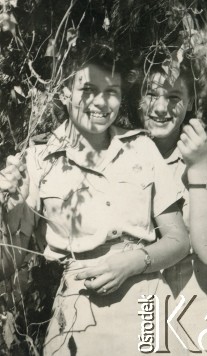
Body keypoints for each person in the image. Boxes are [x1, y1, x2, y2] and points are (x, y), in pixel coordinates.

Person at [0, 45, 190, 355]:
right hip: (78, 318)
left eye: (111, 91)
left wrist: (131, 262)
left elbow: (179, 240)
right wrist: (3, 207)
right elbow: (7, 263)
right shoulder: (36, 162)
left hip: (146, 307)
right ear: (65, 92)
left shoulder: (141, 148)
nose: (101, 102)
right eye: (89, 89)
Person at [136, 51, 207, 354]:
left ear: (191, 102)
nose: (160, 107)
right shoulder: (121, 155)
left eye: (174, 97)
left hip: (194, 310)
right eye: (150, 93)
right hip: (134, 309)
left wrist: (197, 167)